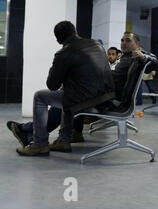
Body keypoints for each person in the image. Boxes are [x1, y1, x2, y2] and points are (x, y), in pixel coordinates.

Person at [7, 31, 158, 149]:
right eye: (122, 40)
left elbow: (154, 62)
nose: (124, 43)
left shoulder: (137, 56)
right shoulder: (124, 57)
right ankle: (75, 133)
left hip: (112, 101)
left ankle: (29, 131)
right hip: (106, 95)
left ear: (137, 44)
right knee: (76, 93)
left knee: (69, 99)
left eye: (128, 40)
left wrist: (144, 58)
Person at [14, 21, 115, 156]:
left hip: (85, 101)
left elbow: (52, 85)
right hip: (106, 98)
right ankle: (65, 139)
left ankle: (40, 144)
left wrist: (58, 64)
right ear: (75, 31)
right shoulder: (97, 45)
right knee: (68, 92)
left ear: (57, 40)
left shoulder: (63, 53)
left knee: (39, 96)